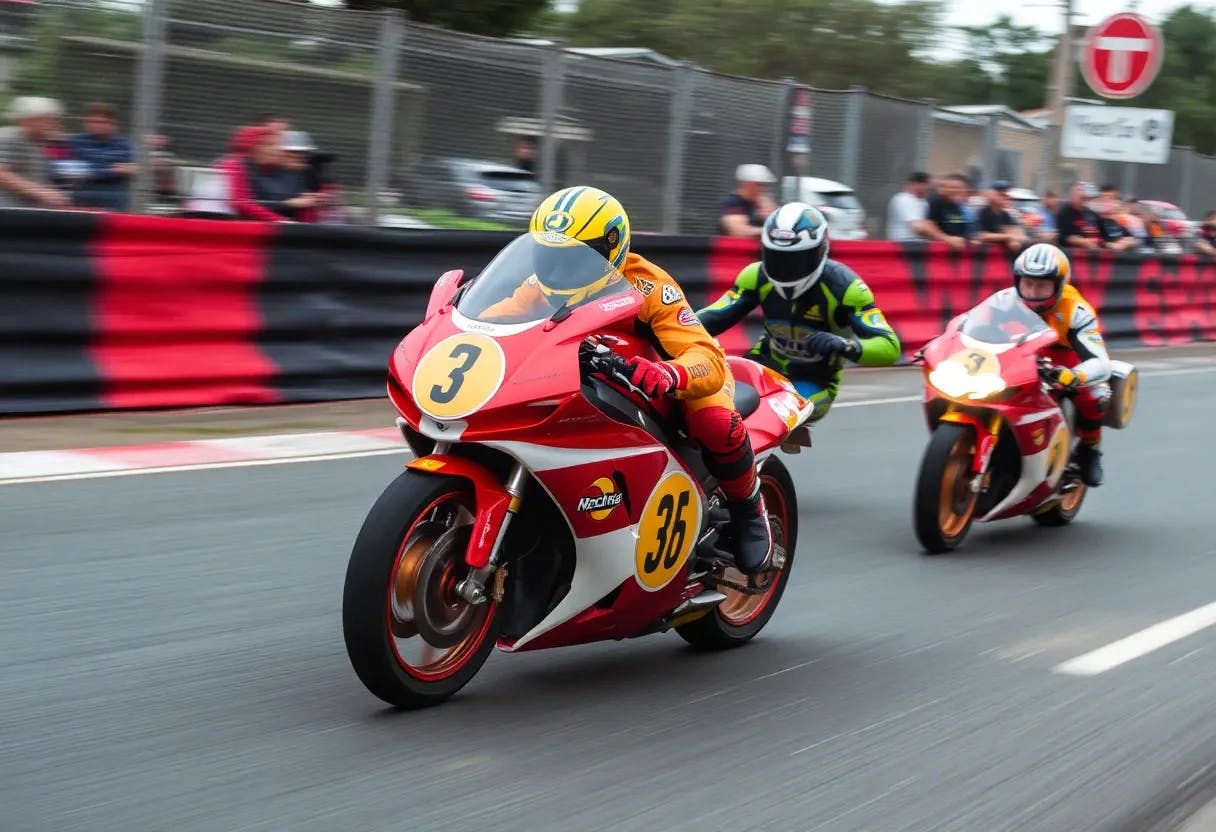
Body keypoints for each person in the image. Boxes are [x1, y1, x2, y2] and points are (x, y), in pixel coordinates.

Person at [480, 186, 774, 577]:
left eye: (575, 258)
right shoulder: (537, 287)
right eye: (549, 256)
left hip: (670, 380)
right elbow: (494, 321)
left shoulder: (650, 286)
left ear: (611, 248)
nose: (558, 270)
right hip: (590, 380)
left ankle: (748, 507)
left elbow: (707, 357)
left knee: (715, 422)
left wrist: (668, 373)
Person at [695, 202, 901, 422]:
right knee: (702, 398)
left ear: (820, 250)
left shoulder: (845, 287)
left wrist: (845, 345)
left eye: (796, 260)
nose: (785, 269)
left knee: (772, 415)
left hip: (814, 381)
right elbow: (713, 316)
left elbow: (889, 346)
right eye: (777, 258)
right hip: (763, 364)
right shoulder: (755, 276)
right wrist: (674, 328)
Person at [1011, 243, 1111, 487]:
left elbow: (1100, 361)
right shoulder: (1006, 301)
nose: (1032, 292)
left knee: (1094, 396)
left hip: (1064, 359)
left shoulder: (1077, 311)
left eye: (1042, 285)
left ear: (1059, 285)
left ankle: (1089, 449)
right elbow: (968, 326)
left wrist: (1074, 376)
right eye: (1027, 283)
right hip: (1018, 353)